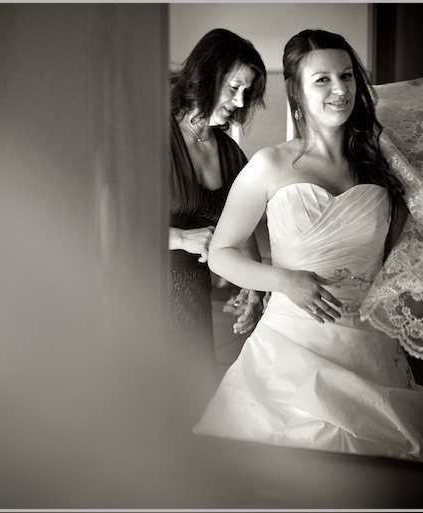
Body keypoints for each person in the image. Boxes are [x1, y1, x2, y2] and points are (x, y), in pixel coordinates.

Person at [193, 29, 423, 463]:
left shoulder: (382, 166)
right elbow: (222, 252)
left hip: (370, 348)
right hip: (289, 347)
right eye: (322, 79)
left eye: (346, 76)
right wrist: (283, 280)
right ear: (297, 91)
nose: (340, 89)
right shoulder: (269, 164)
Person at [168, 29, 266, 414]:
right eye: (234, 87)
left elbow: (242, 231)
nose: (239, 101)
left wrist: (255, 286)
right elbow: (107, 222)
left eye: (248, 91)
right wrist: (179, 237)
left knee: (194, 398)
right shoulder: (150, 132)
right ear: (206, 74)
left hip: (192, 293)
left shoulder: (229, 153)